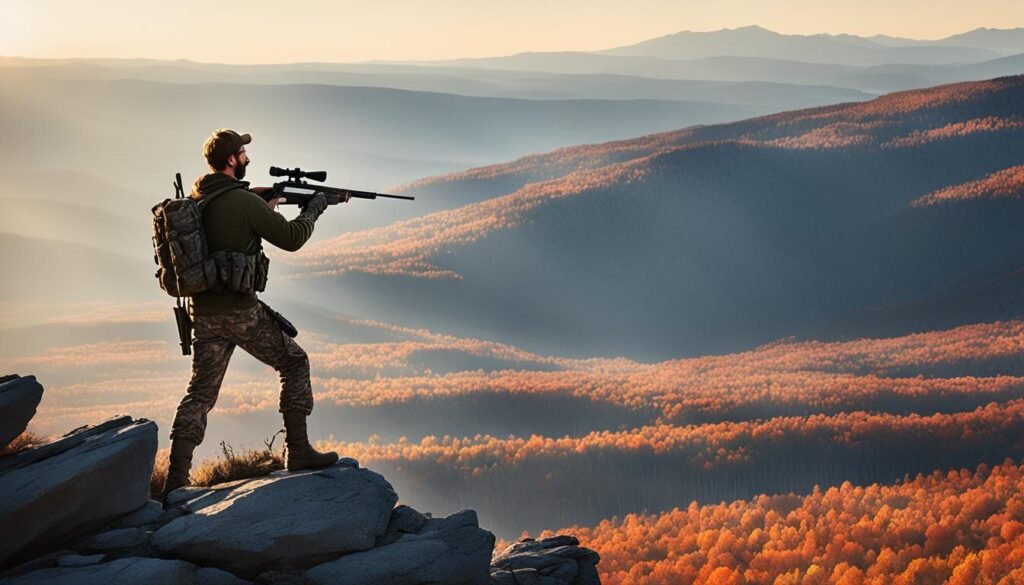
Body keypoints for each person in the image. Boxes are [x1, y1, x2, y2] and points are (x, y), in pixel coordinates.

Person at [160, 129, 346, 503]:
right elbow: (293, 238)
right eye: (243, 153)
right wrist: (315, 208)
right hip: (239, 311)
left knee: (199, 393)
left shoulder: (200, 196)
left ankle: (175, 481)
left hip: (204, 311)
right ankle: (299, 452)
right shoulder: (243, 202)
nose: (247, 157)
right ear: (231, 160)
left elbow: (229, 230)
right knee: (294, 362)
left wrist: (268, 203)